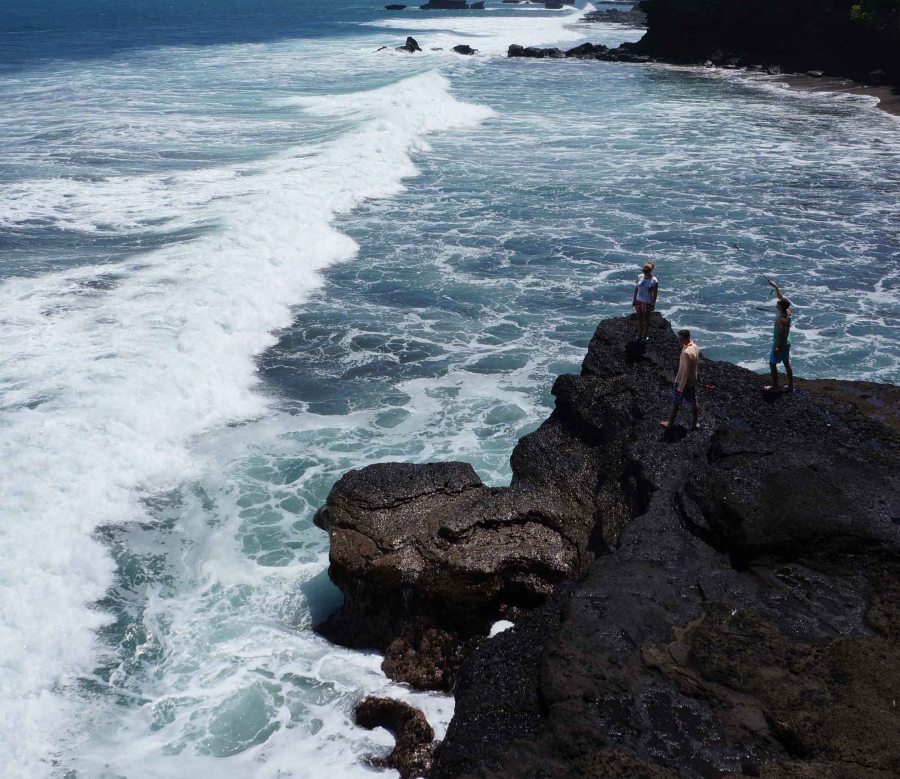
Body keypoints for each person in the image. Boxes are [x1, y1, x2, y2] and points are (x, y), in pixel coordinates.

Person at [661, 329, 700, 430]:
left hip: (681, 381)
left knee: (676, 403)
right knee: (693, 402)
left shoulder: (686, 352)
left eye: (680, 339)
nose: (679, 341)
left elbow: (686, 372)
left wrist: (681, 387)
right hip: (692, 381)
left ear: (686, 338)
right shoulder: (695, 347)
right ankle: (695, 423)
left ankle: (670, 423)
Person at [765, 279, 793, 393]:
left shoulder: (782, 319)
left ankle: (775, 386)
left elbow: (782, 334)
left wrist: (777, 347)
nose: (777, 302)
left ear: (780, 307)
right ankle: (791, 386)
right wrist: (775, 286)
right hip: (787, 341)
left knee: (772, 364)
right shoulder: (787, 311)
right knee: (786, 362)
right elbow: (781, 297)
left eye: (778, 303)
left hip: (780, 343)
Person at [632, 262, 658, 342]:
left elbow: (655, 294)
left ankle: (645, 335)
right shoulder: (640, 277)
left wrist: (653, 304)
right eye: (643, 270)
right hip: (638, 300)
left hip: (647, 302)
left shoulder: (654, 281)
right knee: (639, 319)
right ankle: (639, 335)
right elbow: (637, 288)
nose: (644, 272)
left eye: (646, 271)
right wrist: (634, 299)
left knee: (646, 320)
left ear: (650, 271)